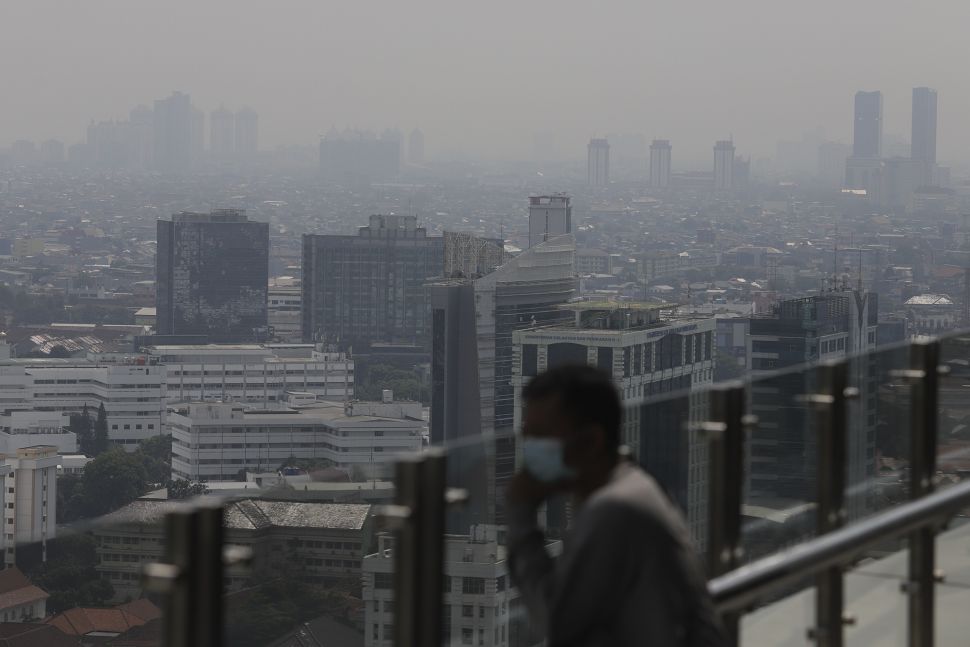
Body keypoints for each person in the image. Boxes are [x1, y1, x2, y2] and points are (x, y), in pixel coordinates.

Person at [507, 364, 726, 647]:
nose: (530, 449)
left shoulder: (612, 512)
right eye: (527, 436)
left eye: (541, 437)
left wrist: (520, 511)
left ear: (591, 441)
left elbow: (558, 622)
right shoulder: (635, 485)